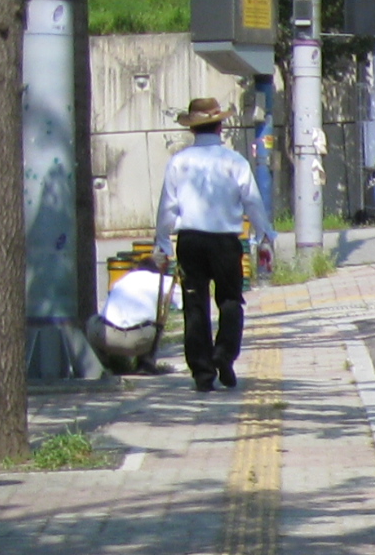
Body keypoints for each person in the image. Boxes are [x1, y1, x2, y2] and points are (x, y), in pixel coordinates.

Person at [156, 96, 273, 393]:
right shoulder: (234, 161)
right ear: (220, 126)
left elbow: (168, 207)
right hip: (225, 241)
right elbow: (252, 201)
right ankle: (224, 353)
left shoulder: (179, 162)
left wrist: (163, 242)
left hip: (190, 240)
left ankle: (202, 371)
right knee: (231, 299)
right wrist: (264, 235)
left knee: (195, 304)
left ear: (192, 129)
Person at [86, 256, 174, 375]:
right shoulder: (162, 280)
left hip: (107, 339)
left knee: (92, 320)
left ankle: (103, 365)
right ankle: (146, 364)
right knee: (159, 322)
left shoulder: (122, 280)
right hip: (139, 341)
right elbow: (181, 302)